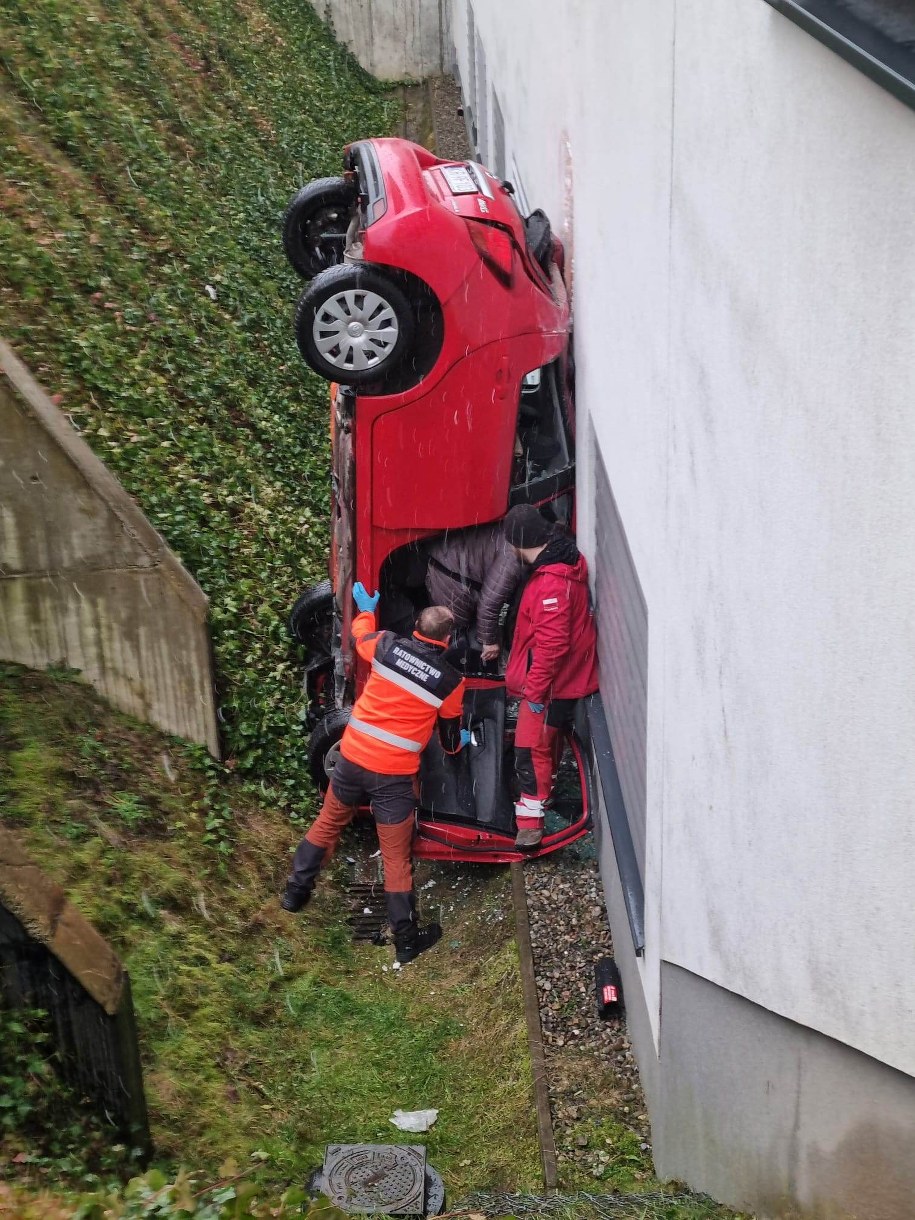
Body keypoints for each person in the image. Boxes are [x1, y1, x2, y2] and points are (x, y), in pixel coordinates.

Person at [281, 583, 469, 963]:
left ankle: (295, 893)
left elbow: (359, 634)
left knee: (327, 824)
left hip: (350, 761)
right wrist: (459, 740)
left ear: (416, 626)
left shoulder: (386, 645)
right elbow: (449, 742)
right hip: (393, 779)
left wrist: (366, 609)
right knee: (396, 859)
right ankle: (406, 940)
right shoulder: (451, 682)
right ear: (448, 639)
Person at [502, 505, 598, 848]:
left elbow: (552, 646)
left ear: (517, 543)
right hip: (565, 682)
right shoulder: (562, 564)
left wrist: (535, 694)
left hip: (549, 686)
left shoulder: (550, 585)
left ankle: (530, 825)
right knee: (547, 745)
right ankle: (546, 796)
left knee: (530, 749)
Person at [425, 524, 524, 664]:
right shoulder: (513, 557)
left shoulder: (515, 535)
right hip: (453, 577)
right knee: (448, 632)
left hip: (450, 561)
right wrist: (489, 642)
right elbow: (489, 602)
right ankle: (436, 668)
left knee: (448, 629)